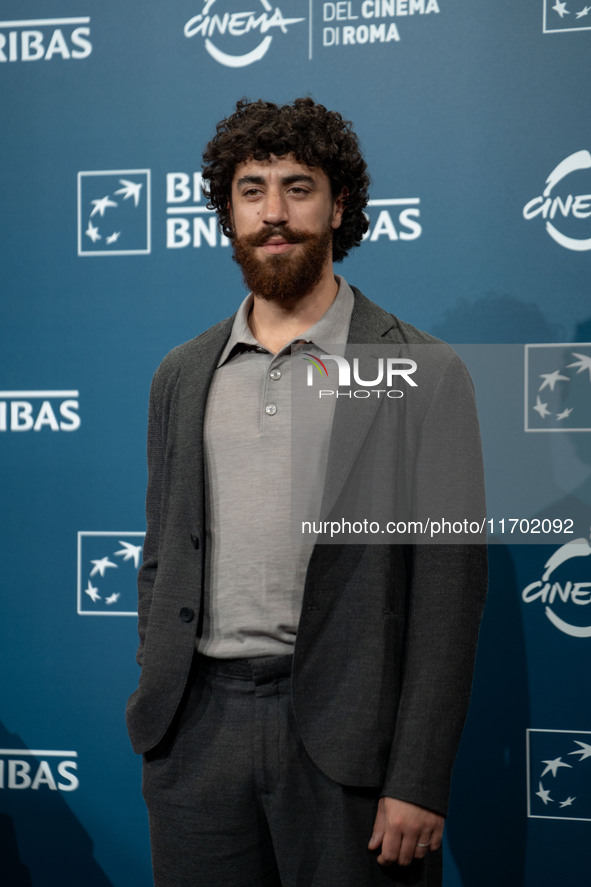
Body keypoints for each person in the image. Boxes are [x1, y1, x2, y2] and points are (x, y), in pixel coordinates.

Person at [126, 97, 487, 887]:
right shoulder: (182, 374)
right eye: (251, 189)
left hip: (349, 744)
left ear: (340, 205)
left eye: (298, 187)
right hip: (196, 736)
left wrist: (417, 776)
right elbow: (161, 554)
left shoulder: (425, 371)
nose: (274, 213)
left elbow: (448, 596)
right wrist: (159, 695)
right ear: (227, 210)